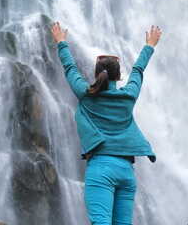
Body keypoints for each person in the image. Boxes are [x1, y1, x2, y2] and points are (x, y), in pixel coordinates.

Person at [50, 21, 162, 225]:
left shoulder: (86, 94)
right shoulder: (128, 97)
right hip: (126, 171)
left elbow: (69, 68)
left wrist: (61, 42)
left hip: (101, 168)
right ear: (118, 77)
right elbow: (138, 71)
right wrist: (150, 46)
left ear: (96, 74)